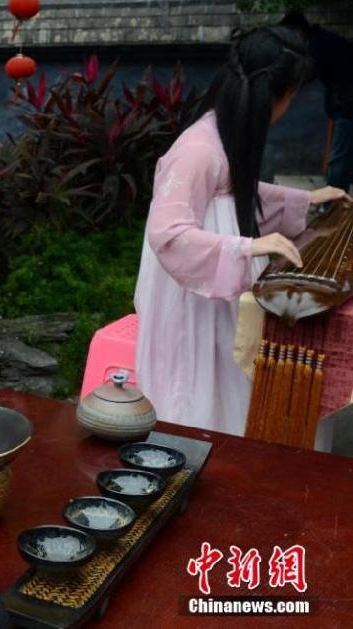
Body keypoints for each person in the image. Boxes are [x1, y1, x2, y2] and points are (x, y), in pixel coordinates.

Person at [133, 26, 351, 436]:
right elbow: (167, 233)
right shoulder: (197, 149)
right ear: (278, 96)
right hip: (189, 300)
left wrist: (305, 201)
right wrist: (246, 247)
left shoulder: (223, 136)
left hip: (209, 292)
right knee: (192, 389)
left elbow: (233, 195)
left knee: (222, 382)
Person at [280, 11, 353, 193]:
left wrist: (281, 86)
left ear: (297, 31)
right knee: (341, 156)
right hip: (344, 102)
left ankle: (335, 203)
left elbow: (306, 74)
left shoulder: (317, 44)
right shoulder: (322, 40)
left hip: (348, 104)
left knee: (339, 158)